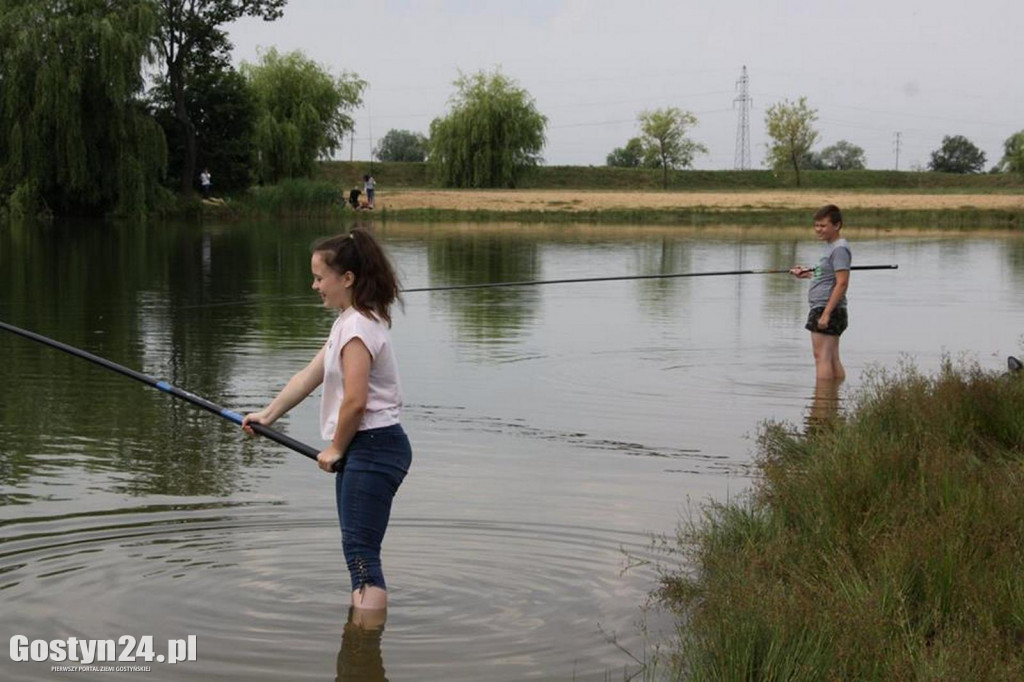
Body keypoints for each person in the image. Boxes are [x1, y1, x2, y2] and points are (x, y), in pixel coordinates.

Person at [243, 228, 411, 612]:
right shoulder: (348, 322)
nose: (314, 285)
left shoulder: (356, 328)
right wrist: (267, 416)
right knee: (357, 551)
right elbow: (307, 376)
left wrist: (336, 446)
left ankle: (365, 643)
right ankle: (362, 649)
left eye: (320, 277)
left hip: (373, 445)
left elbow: (355, 400)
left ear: (347, 279)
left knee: (361, 557)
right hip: (369, 446)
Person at [789, 204, 851, 381]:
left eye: (823, 226)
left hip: (826, 308)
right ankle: (833, 399)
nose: (818, 230)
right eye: (816, 225)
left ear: (837, 225)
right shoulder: (832, 247)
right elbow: (827, 276)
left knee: (821, 358)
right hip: (826, 307)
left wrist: (825, 314)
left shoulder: (839, 249)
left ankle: (822, 403)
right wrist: (807, 273)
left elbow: (842, 283)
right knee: (831, 358)